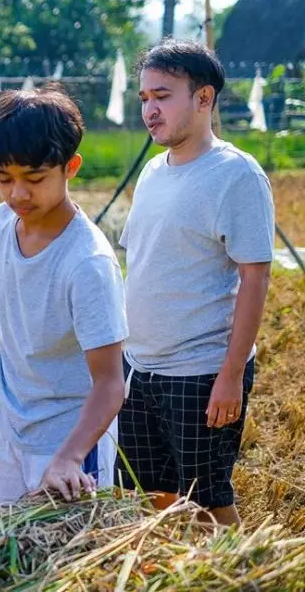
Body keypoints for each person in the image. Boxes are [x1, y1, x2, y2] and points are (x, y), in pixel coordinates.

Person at [0, 87, 127, 508]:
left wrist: (69, 458)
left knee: (69, 569)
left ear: (70, 167)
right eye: (5, 178)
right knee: (11, 559)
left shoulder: (87, 262)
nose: (18, 194)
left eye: (34, 179)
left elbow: (111, 384)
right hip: (12, 430)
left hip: (70, 445)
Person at [117, 39, 274, 526]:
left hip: (201, 369)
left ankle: (244, 574)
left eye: (162, 96)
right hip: (139, 367)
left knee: (207, 502)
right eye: (144, 98)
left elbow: (255, 276)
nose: (150, 110)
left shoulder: (236, 174)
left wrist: (230, 375)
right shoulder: (150, 172)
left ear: (203, 98)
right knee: (151, 498)